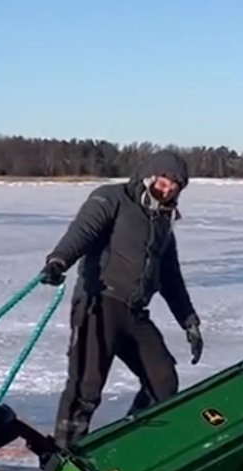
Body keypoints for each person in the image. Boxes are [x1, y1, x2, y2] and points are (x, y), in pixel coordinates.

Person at [39, 150, 203, 450]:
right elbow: (82, 232)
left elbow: (171, 277)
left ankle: (131, 447)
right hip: (99, 304)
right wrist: (59, 261)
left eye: (174, 185)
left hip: (135, 312)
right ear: (149, 176)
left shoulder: (162, 223)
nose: (166, 189)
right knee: (85, 387)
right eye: (164, 180)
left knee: (163, 381)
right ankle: (61, 456)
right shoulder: (112, 198)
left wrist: (188, 320)